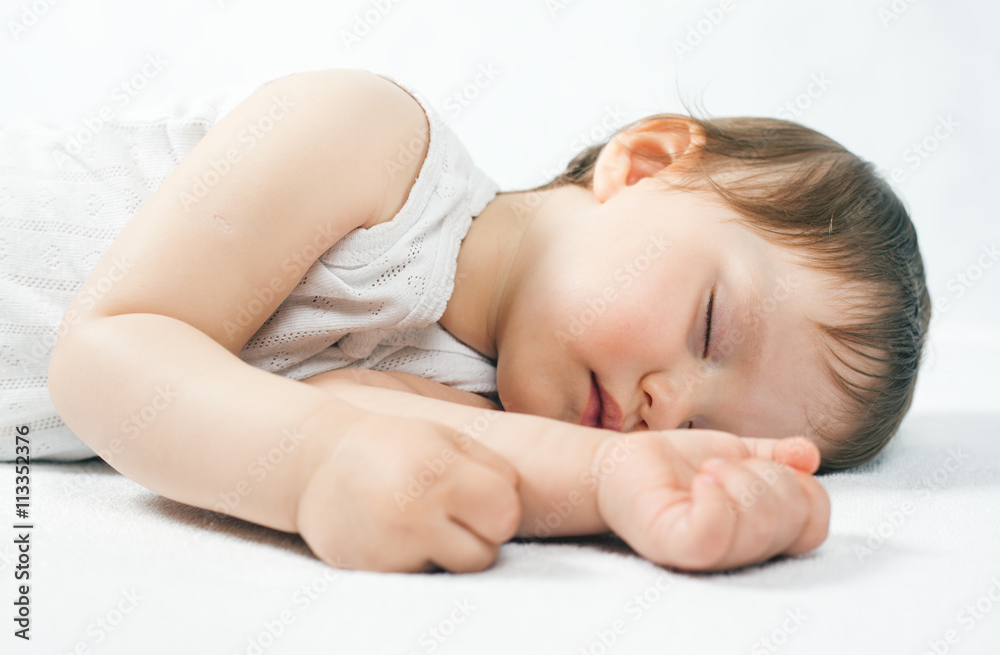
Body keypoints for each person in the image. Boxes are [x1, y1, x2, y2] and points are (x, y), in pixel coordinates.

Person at [1, 68, 929, 574]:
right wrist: (318, 468)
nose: (668, 403)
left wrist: (633, 485)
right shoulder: (371, 142)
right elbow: (108, 353)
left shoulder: (481, 405)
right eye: (711, 327)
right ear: (640, 164)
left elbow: (349, 417)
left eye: (704, 430)